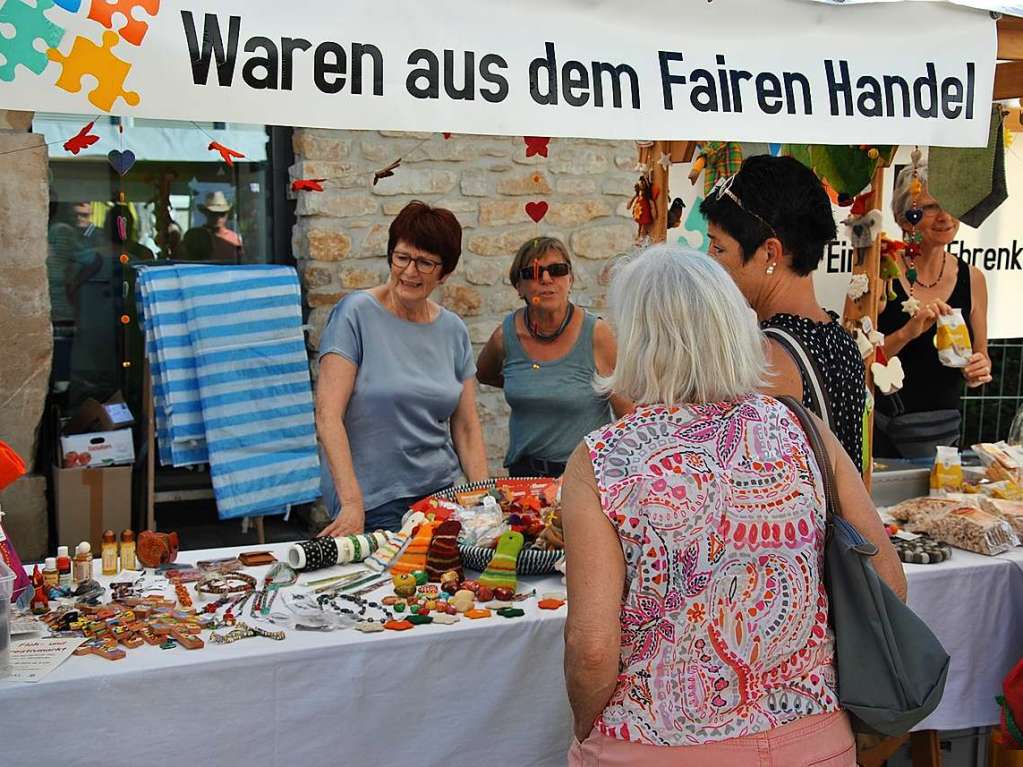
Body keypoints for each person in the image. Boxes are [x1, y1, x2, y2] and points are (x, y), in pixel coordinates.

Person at [561, 245, 905, 766]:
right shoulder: (803, 428)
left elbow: (591, 649)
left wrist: (588, 733)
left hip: (653, 745)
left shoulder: (605, 459)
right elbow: (888, 582)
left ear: (635, 340)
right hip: (811, 739)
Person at [318, 201, 488, 535]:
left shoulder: (453, 330)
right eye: (402, 257)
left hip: (441, 497)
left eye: (425, 263)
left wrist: (484, 499)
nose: (410, 272)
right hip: (373, 503)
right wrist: (352, 505)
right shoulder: (354, 314)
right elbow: (327, 416)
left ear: (445, 273)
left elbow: (466, 426)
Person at [700, 155, 866, 471]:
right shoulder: (839, 338)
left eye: (718, 248)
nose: (709, 262)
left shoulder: (766, 358)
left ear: (770, 252)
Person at [476, 237, 630, 477]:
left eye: (557, 270)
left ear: (570, 279)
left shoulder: (597, 334)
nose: (546, 279)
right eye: (534, 272)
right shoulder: (505, 336)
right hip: (524, 475)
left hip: (584, 475)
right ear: (519, 286)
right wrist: (530, 384)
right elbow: (483, 374)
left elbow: (626, 411)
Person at [874, 162, 991, 458]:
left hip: (945, 438)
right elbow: (859, 362)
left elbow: (981, 358)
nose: (944, 217)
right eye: (928, 207)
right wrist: (907, 333)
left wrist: (978, 370)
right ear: (902, 218)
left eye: (951, 204)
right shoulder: (880, 273)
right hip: (885, 438)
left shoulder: (972, 278)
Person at [184, 191, 243, 262]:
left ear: (227, 215)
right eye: (213, 213)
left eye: (222, 213)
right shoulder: (194, 236)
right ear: (206, 213)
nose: (218, 217)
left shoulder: (235, 238)